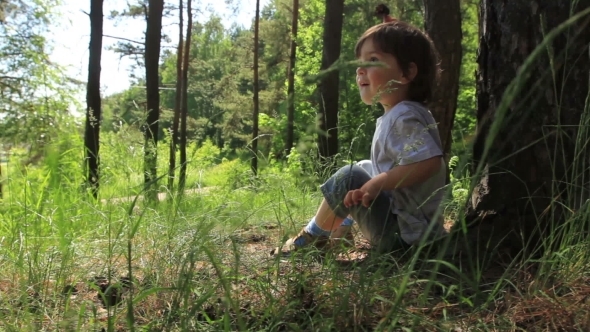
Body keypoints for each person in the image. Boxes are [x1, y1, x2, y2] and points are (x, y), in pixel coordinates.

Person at [272, 18, 447, 256]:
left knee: (350, 176)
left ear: (407, 73)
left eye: (373, 60)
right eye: (360, 62)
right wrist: (374, 180)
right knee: (365, 168)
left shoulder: (403, 116)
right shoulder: (405, 114)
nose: (360, 69)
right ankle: (340, 235)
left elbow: (429, 162)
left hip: (404, 240)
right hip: (412, 236)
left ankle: (312, 238)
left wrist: (378, 183)